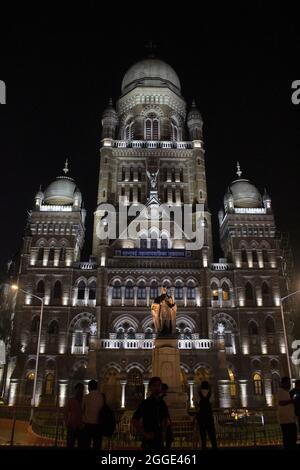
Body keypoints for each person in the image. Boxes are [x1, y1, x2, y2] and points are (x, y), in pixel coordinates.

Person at [132, 376, 170, 451]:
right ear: (150, 387)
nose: (157, 387)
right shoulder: (145, 403)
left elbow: (166, 418)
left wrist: (164, 430)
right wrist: (145, 434)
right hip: (148, 441)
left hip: (159, 440)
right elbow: (135, 420)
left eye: (159, 385)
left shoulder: (162, 403)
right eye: (154, 385)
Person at [82, 379, 104, 450]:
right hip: (98, 425)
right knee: (97, 445)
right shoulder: (101, 397)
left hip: (88, 424)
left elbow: (82, 409)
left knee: (86, 444)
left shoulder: (86, 397)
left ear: (89, 387)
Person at [277, 376, 297, 449]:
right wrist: (291, 401)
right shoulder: (280, 391)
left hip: (290, 418)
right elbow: (281, 403)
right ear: (283, 383)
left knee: (293, 437)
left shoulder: (286, 391)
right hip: (285, 420)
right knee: (288, 437)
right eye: (288, 383)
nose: (289, 384)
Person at [196, 381, 217, 451]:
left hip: (201, 415)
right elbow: (212, 402)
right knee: (211, 432)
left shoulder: (198, 394)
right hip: (208, 415)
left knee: (202, 433)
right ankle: (214, 447)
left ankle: (203, 448)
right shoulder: (210, 393)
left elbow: (195, 402)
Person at [64, 382, 85, 448]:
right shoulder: (71, 401)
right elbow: (65, 412)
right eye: (79, 389)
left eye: (81, 389)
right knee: (70, 444)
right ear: (75, 390)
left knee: (81, 444)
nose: (80, 391)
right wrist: (66, 423)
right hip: (72, 426)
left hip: (81, 426)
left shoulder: (85, 401)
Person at [160, 383, 174, 449]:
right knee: (168, 434)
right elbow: (168, 408)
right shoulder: (166, 397)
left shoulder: (159, 397)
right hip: (165, 418)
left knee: (162, 434)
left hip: (160, 418)